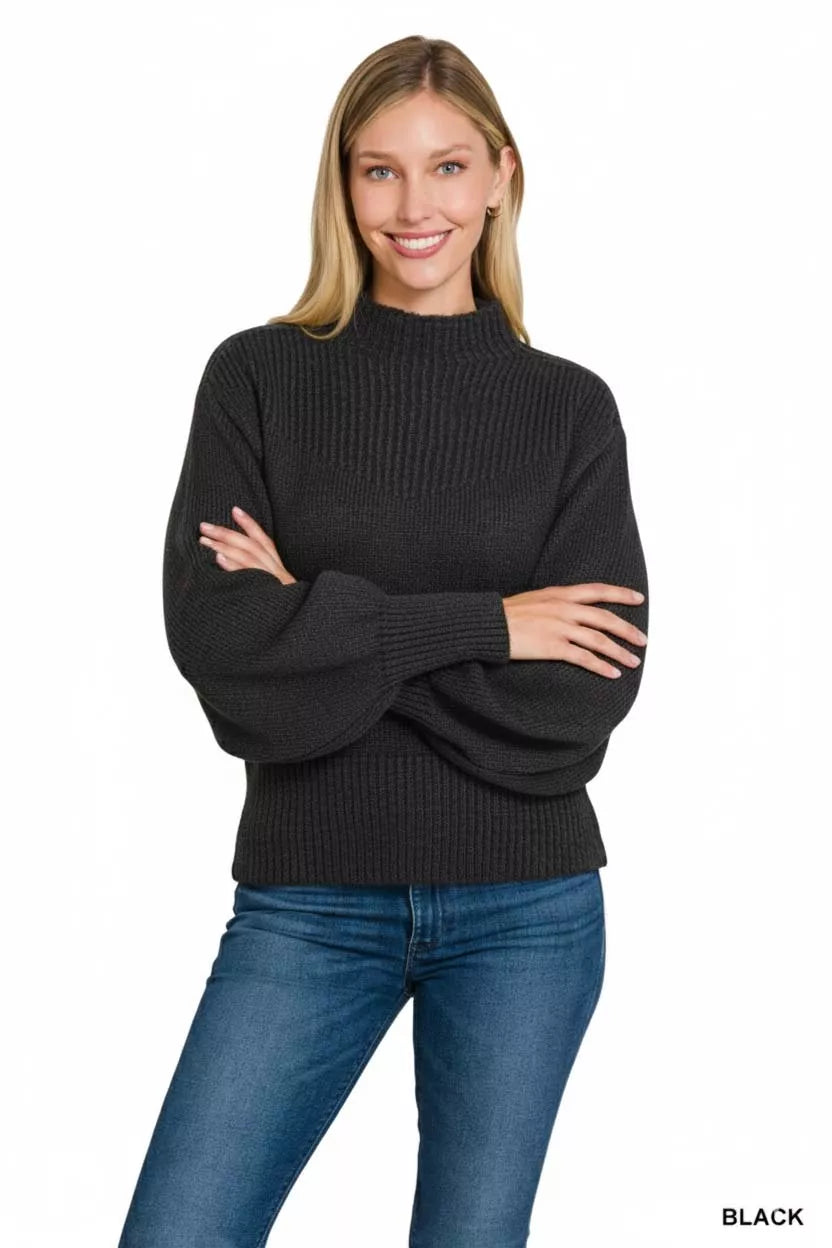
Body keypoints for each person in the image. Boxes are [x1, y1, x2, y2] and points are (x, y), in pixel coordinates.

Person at [117, 33, 649, 1248]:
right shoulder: (257, 378)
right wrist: (489, 625)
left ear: (502, 176)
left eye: (448, 167)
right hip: (307, 899)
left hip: (528, 907)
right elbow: (224, 655)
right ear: (342, 184)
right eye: (380, 171)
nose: (416, 207)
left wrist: (319, 619)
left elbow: (582, 702)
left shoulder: (568, 408)